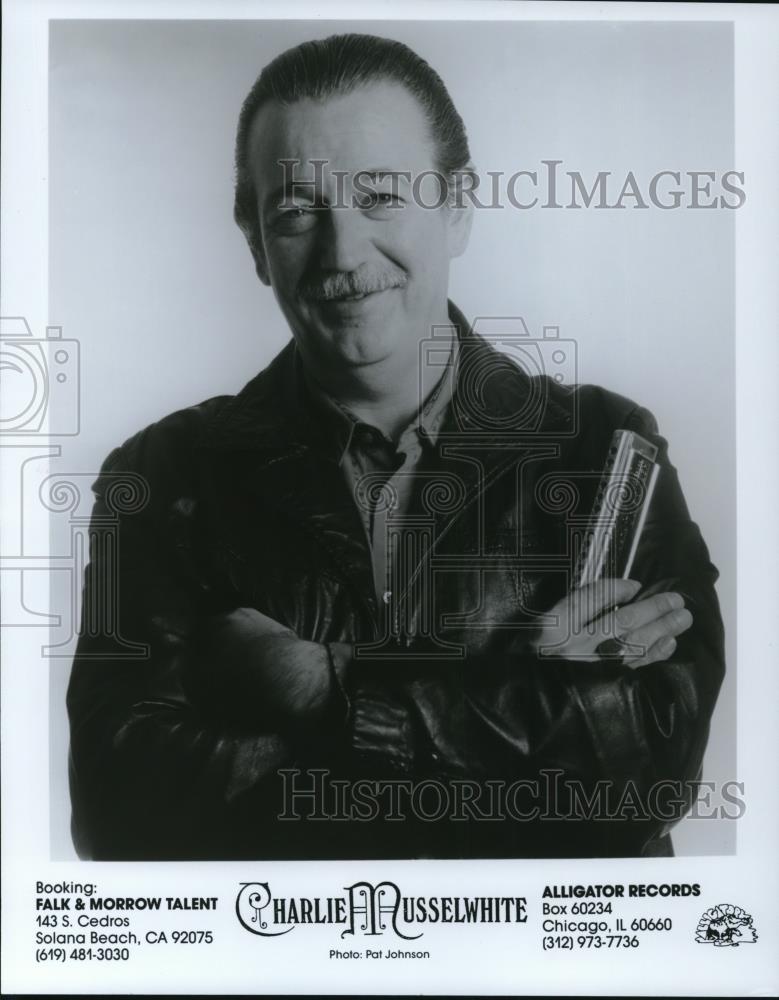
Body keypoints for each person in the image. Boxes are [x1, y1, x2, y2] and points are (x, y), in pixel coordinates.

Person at [66, 33, 725, 861]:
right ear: (253, 244)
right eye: (296, 211)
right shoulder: (163, 475)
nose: (343, 255)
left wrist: (323, 687)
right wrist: (528, 703)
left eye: (381, 195)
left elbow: (646, 783)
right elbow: (118, 806)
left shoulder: (604, 451)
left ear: (457, 208)